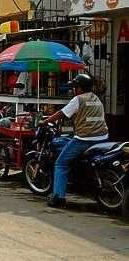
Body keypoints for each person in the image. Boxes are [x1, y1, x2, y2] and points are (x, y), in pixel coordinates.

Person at [41, 73, 109, 208]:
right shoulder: (96, 99)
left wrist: (45, 121)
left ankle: (58, 197)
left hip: (85, 139)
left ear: (80, 88)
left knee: (61, 163)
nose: (74, 90)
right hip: (102, 137)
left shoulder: (78, 99)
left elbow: (62, 113)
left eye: (75, 87)